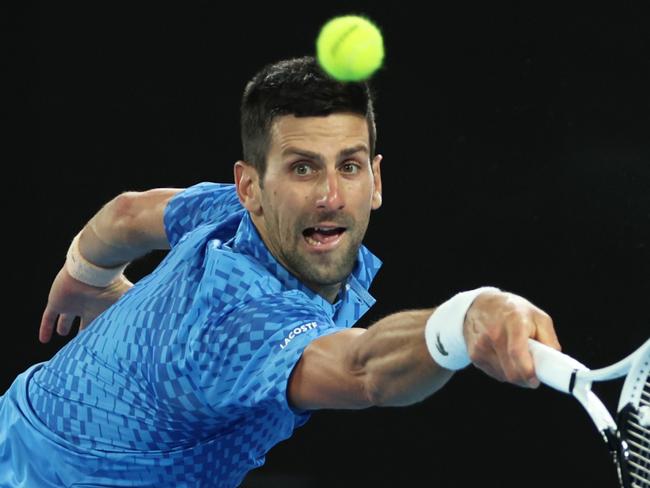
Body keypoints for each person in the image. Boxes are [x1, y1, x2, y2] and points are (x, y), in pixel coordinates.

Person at [0, 56, 561, 487]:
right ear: (253, 185)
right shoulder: (240, 320)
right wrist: (460, 320)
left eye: (349, 165)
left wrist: (86, 273)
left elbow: (128, 214)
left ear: (378, 178)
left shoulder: (231, 211)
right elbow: (364, 371)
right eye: (302, 169)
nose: (330, 195)